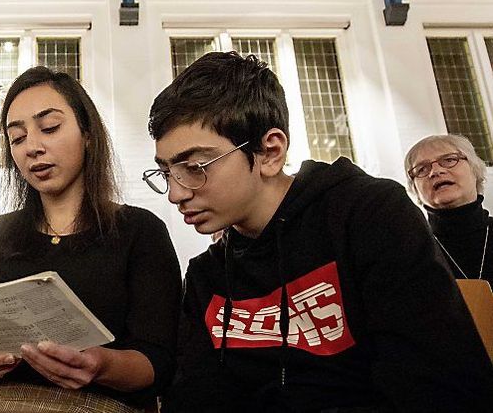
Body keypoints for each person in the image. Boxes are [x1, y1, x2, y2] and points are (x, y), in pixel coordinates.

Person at [147, 51, 493, 411]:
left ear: (269, 152)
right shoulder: (208, 276)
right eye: (167, 172)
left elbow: (438, 385)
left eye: (195, 167)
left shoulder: (369, 215)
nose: (176, 193)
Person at [0, 66, 182, 412]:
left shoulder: (139, 231)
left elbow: (159, 360)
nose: (33, 147)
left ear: (87, 134)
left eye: (50, 128)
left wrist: (101, 365)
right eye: (17, 138)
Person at [405, 134, 492, 286]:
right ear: (415, 189)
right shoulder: (410, 251)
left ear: (475, 169)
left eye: (449, 160)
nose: (435, 172)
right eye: (422, 169)